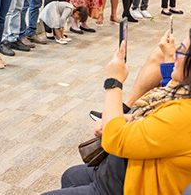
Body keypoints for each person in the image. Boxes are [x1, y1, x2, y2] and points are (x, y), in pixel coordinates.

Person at [43, 31, 191, 195]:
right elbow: (171, 90)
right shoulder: (183, 96)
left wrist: (114, 82)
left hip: (129, 184)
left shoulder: (183, 114)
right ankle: (125, 108)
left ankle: (125, 106)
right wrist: (124, 117)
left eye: (182, 50)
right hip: (123, 169)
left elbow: (114, 139)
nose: (176, 53)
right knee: (70, 176)